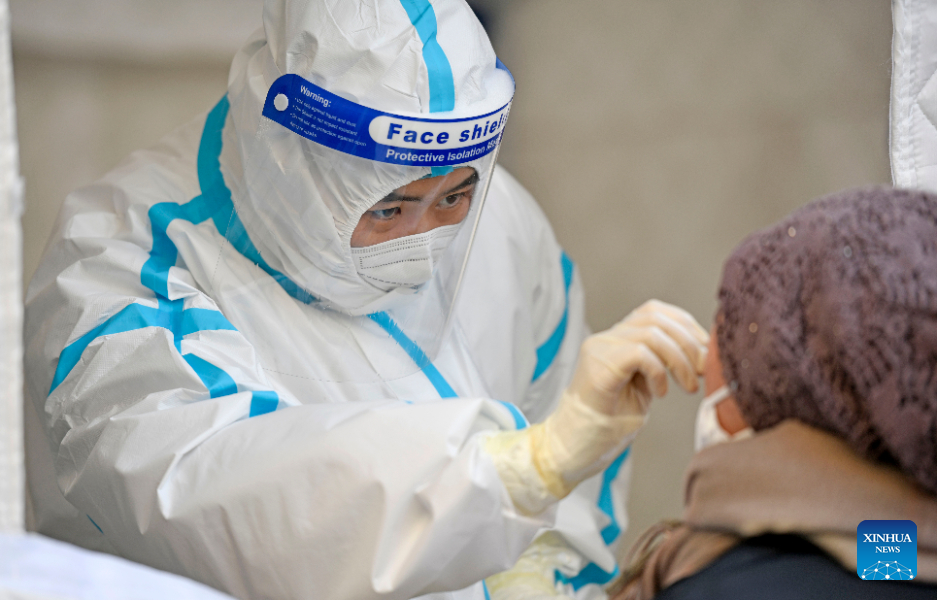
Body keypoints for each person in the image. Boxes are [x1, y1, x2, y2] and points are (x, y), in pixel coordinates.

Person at [22, 2, 708, 599]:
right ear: (288, 158)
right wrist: (519, 470)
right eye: (388, 208)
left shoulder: (501, 221)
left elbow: (559, 412)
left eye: (454, 197)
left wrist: (540, 569)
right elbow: (226, 505)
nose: (423, 239)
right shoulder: (116, 266)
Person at [610, 186, 937, 600]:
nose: (708, 353)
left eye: (730, 324)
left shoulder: (726, 589)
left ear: (794, 383)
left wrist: (548, 477)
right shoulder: (900, 553)